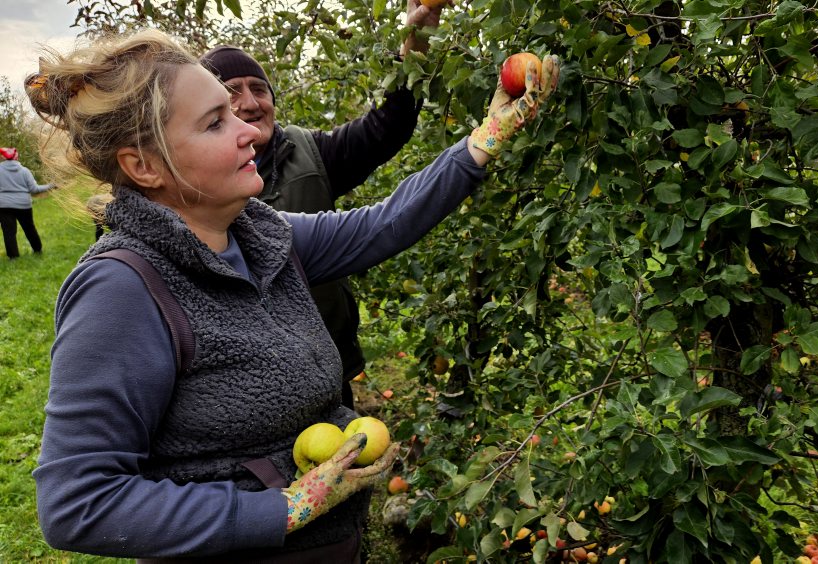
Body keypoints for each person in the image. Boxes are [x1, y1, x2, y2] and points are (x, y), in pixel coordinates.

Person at [27, 28, 557, 560]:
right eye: (215, 122)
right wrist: (281, 509)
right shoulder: (123, 290)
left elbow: (383, 224)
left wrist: (488, 134)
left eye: (235, 114)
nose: (249, 133)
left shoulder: (262, 237)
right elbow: (78, 502)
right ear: (143, 166)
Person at [199, 0, 446, 410]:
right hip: (232, 392)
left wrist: (415, 41)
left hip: (324, 368)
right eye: (230, 92)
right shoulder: (185, 180)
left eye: (259, 89)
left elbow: (388, 127)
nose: (250, 102)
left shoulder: (311, 153)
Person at [0, 147, 54, 258]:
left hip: (4, 205)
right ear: (16, 157)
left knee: (8, 232)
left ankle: (13, 257)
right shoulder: (25, 171)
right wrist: (51, 186)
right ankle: (37, 250)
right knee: (29, 228)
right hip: (23, 205)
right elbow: (34, 190)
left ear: (3, 157)